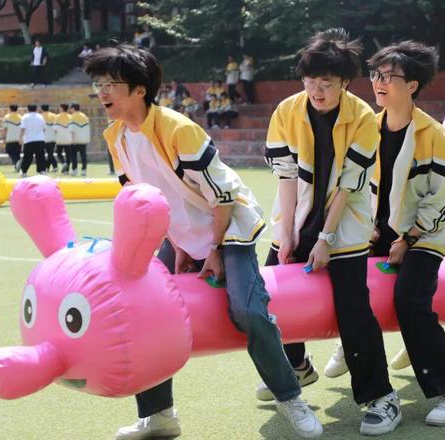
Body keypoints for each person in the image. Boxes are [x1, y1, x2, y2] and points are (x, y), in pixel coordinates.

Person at [85, 43, 323, 440]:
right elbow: (145, 199)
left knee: (249, 311)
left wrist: (213, 249)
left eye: (111, 84)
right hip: (177, 235)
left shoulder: (178, 129)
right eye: (100, 85)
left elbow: (223, 196)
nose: (102, 93)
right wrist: (176, 243)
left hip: (228, 229)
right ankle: (159, 415)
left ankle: (290, 396)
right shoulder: (117, 137)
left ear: (140, 90)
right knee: (140, 311)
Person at [264, 28, 401, 436]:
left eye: (326, 82)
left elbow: (349, 186)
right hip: (296, 217)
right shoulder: (286, 111)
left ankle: (381, 396)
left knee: (353, 310)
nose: (316, 90)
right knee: (267, 301)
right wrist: (288, 234)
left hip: (345, 223)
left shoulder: (363, 117)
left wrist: (325, 239)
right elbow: (286, 177)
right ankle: (296, 366)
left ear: (344, 82)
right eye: (310, 81)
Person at [369, 41, 445, 425]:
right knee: (351, 296)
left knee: (411, 302)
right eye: (376, 74)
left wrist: (408, 239)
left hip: (426, 235)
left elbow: (443, 198)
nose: (379, 82)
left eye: (388, 76)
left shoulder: (434, 134)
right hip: (376, 231)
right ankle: (377, 392)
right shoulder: (368, 126)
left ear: (411, 85)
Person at [19, 104, 46, 177]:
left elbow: (23, 128)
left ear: (28, 109)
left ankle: (24, 171)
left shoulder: (25, 117)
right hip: (40, 139)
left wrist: (20, 138)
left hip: (29, 140)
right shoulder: (40, 117)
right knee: (40, 156)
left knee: (27, 157)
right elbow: (44, 128)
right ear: (36, 109)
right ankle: (42, 171)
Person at [68, 103, 90, 176]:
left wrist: (72, 140)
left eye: (70, 108)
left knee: (73, 156)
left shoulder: (72, 117)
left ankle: (74, 170)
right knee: (83, 155)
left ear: (73, 108)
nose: (70, 110)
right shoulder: (85, 116)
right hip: (83, 140)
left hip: (75, 140)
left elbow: (72, 130)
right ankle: (84, 170)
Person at [2, 104, 22, 170]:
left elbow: (5, 129)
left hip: (9, 138)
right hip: (18, 139)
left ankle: (17, 162)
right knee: (17, 153)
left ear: (10, 109)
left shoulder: (7, 117)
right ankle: (17, 166)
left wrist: (4, 138)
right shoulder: (21, 117)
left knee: (9, 151)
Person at [39, 104, 58, 172]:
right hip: (53, 137)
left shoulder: (40, 117)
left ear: (42, 109)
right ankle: (47, 167)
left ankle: (55, 166)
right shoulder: (54, 115)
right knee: (50, 153)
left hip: (44, 137)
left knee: (49, 153)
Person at [54, 103, 72, 175]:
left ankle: (63, 162)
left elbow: (55, 129)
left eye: (60, 108)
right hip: (68, 139)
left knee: (58, 152)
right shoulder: (71, 117)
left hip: (60, 139)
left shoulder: (57, 117)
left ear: (62, 108)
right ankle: (66, 171)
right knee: (68, 155)